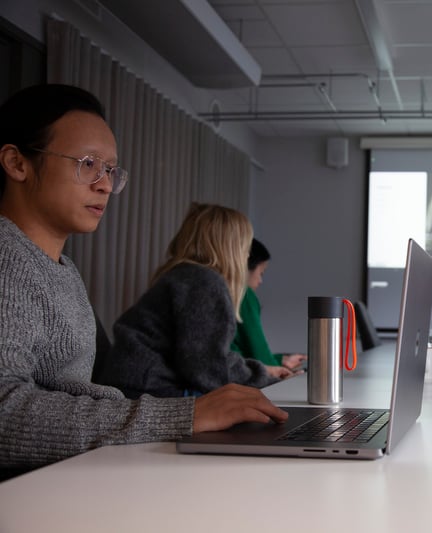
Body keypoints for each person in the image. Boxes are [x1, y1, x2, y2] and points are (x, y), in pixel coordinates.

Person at [0, 84, 287, 475]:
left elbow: (100, 380)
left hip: (75, 469)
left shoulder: (61, 269)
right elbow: (6, 413)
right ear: (17, 163)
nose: (104, 184)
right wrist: (182, 415)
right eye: (87, 163)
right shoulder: (7, 260)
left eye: (110, 170)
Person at [94, 203, 285, 397]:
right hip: (146, 390)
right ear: (232, 249)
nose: (246, 256)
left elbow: (206, 357)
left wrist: (260, 370)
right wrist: (265, 378)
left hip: (132, 382)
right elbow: (208, 369)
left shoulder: (185, 276)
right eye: (245, 248)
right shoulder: (204, 283)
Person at [231, 238, 307, 372]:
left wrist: (280, 360)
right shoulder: (244, 295)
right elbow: (260, 356)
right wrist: (281, 371)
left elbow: (247, 356)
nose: (260, 281)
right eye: (261, 273)